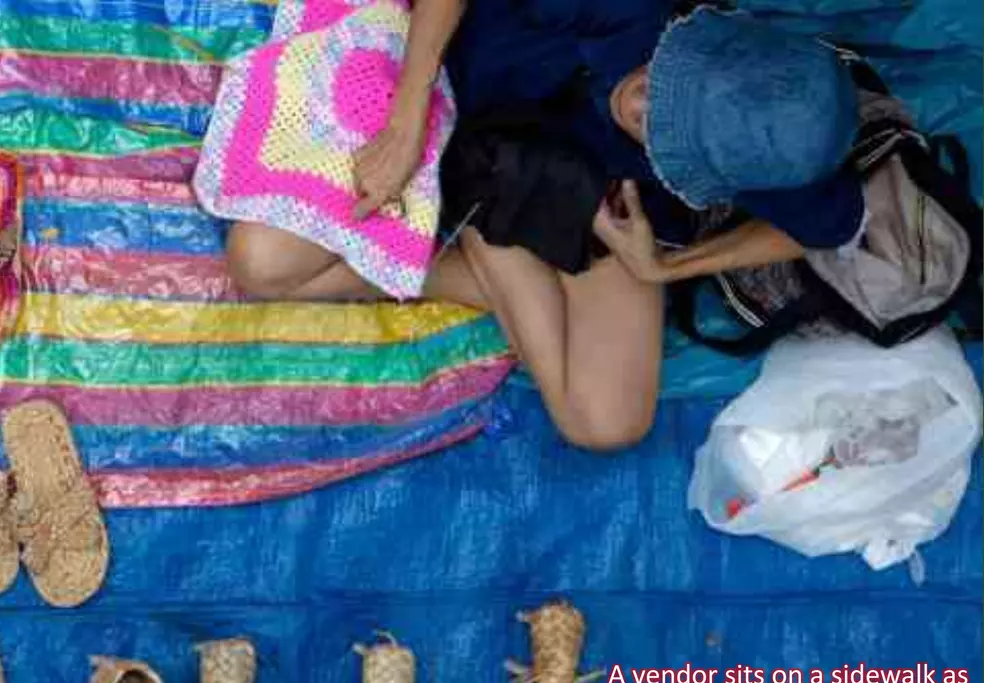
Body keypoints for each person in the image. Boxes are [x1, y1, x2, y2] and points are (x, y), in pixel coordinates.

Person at [223, 2, 866, 451]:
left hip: (578, 207)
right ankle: (493, 242)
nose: (638, 102)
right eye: (663, 82)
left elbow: (829, 224)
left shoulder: (769, 142)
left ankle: (488, 241)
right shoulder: (627, 13)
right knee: (261, 265)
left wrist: (662, 267)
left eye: (661, 133)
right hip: (441, 108)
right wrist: (407, 116)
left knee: (606, 426)